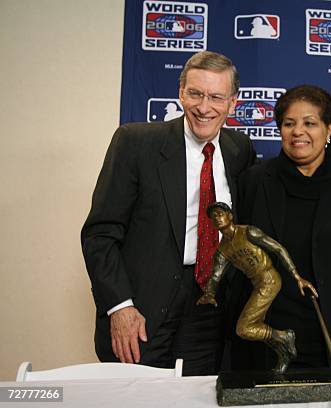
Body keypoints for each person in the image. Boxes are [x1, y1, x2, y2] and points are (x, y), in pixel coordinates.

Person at [81, 51, 256, 375]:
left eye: (216, 97)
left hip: (209, 308)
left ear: (233, 102)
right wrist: (120, 307)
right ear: (180, 93)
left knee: (198, 395)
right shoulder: (136, 143)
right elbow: (100, 235)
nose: (204, 107)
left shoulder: (239, 149)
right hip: (141, 308)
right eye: (195, 94)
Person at [234, 85, 331, 371]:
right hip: (266, 345)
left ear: (329, 129)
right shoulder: (253, 183)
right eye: (288, 123)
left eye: (310, 123)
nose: (298, 132)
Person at [198, 202, 318, 373]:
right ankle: (283, 354)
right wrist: (209, 293)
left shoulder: (247, 232)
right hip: (257, 284)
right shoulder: (223, 249)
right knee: (255, 327)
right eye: (213, 216)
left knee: (244, 328)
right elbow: (216, 274)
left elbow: (277, 248)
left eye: (220, 213)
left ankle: (285, 337)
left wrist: (297, 276)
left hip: (269, 279)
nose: (217, 218)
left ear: (230, 216)